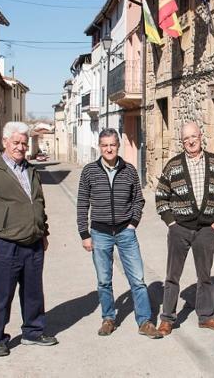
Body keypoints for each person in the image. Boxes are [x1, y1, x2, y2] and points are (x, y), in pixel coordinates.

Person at [0, 121, 58, 357]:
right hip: (3, 244)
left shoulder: (30, 170)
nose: (20, 147)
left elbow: (38, 203)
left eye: (24, 143)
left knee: (33, 292)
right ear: (5, 142)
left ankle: (33, 332)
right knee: (1, 294)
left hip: (33, 243)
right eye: (16, 142)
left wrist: (43, 232)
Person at [77, 128, 162, 339]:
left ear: (118, 146)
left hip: (126, 231)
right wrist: (84, 234)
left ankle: (145, 321)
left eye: (112, 145)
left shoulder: (129, 170)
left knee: (138, 279)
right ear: (100, 146)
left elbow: (138, 199)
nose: (108, 149)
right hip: (99, 232)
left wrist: (133, 222)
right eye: (105, 145)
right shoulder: (89, 171)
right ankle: (108, 318)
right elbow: (82, 204)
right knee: (104, 280)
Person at [155, 122, 214, 336]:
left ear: (201, 136)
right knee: (172, 276)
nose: (190, 141)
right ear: (182, 142)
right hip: (179, 228)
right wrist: (171, 222)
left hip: (207, 229)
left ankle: (206, 317)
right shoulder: (173, 165)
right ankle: (167, 319)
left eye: (193, 137)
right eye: (186, 139)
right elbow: (161, 197)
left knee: (205, 275)